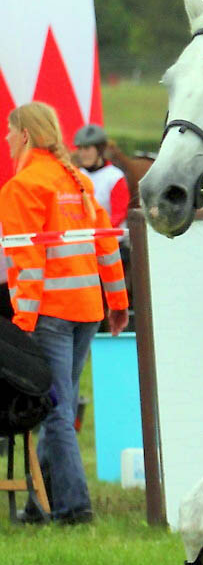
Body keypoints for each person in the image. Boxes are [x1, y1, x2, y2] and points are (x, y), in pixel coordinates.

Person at [0, 103, 129, 524]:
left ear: (24, 135)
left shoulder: (22, 187)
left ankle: (74, 508)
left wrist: (22, 324)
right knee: (59, 403)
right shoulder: (77, 180)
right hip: (87, 309)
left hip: (50, 314)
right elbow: (106, 245)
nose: (6, 138)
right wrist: (118, 303)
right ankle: (40, 505)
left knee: (54, 410)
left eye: (10, 131)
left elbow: (28, 263)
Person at [74, 123, 130, 228]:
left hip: (110, 235)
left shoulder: (115, 177)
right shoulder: (77, 175)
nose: (82, 154)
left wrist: (99, 231)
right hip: (85, 234)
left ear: (99, 150)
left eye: (87, 148)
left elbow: (119, 214)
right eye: (80, 149)